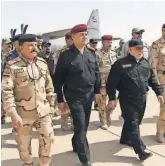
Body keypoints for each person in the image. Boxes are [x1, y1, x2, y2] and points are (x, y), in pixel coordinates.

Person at [2, 34, 55, 166]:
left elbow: (49, 87)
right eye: (30, 45)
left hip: (43, 113)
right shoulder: (12, 66)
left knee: (48, 141)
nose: (34, 48)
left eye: (35, 45)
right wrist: (13, 114)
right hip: (22, 115)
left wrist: (52, 106)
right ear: (20, 47)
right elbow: (6, 92)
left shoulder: (42, 63)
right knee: (24, 149)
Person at [106, 39, 164, 161]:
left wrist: (159, 93)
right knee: (133, 123)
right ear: (130, 50)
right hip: (127, 99)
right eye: (137, 48)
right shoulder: (120, 64)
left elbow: (152, 79)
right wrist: (112, 98)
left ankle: (124, 138)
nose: (141, 51)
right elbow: (111, 83)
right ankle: (141, 151)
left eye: (142, 48)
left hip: (142, 98)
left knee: (135, 122)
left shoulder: (145, 63)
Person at [53, 24, 101, 166]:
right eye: (81, 34)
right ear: (73, 37)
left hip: (89, 95)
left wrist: (97, 92)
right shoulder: (66, 55)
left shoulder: (90, 53)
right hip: (74, 96)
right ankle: (85, 159)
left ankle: (76, 144)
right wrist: (60, 99)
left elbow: (96, 73)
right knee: (80, 125)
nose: (85, 36)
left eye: (86, 34)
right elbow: (58, 79)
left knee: (84, 125)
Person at [95, 35, 118, 130]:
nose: (110, 44)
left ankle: (108, 114)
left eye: (111, 42)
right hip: (102, 83)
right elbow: (95, 70)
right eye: (108, 42)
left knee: (114, 102)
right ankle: (103, 120)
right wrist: (99, 84)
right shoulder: (97, 54)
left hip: (112, 82)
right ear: (103, 42)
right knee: (102, 103)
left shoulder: (113, 53)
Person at [149, 23, 165, 143]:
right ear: (163, 30)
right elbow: (153, 64)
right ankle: (160, 132)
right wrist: (157, 83)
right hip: (162, 77)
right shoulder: (156, 44)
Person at [55, 31, 74, 130]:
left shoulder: (77, 49)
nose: (73, 40)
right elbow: (57, 67)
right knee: (66, 103)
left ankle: (74, 122)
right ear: (67, 40)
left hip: (74, 81)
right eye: (71, 38)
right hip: (64, 81)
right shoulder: (61, 51)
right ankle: (64, 120)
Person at [1, 38, 12, 124]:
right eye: (7, 44)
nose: (9, 45)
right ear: (2, 45)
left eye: (10, 44)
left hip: (10, 79)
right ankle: (2, 116)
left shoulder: (13, 55)